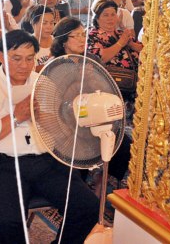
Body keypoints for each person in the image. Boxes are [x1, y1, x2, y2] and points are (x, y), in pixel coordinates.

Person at [0, 30, 99, 244]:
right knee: (4, 223)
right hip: (2, 165)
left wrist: (42, 117)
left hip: (45, 162)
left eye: (30, 59)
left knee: (88, 207)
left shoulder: (43, 83)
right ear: (1, 56)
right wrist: (16, 116)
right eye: (16, 58)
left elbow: (61, 129)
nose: (24, 65)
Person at [49, 16, 133, 185]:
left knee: (124, 145)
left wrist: (91, 79)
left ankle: (102, 181)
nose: (82, 39)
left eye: (83, 34)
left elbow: (105, 90)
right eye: (76, 36)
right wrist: (78, 79)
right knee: (76, 160)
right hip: (68, 122)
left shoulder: (92, 60)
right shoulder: (56, 64)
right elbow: (55, 99)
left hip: (96, 117)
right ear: (63, 40)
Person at [87, 0, 143, 121]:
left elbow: (142, 49)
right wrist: (120, 43)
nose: (110, 18)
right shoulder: (93, 35)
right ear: (97, 18)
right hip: (109, 87)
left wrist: (130, 43)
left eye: (113, 14)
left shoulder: (122, 33)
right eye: (105, 15)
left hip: (133, 86)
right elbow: (99, 58)